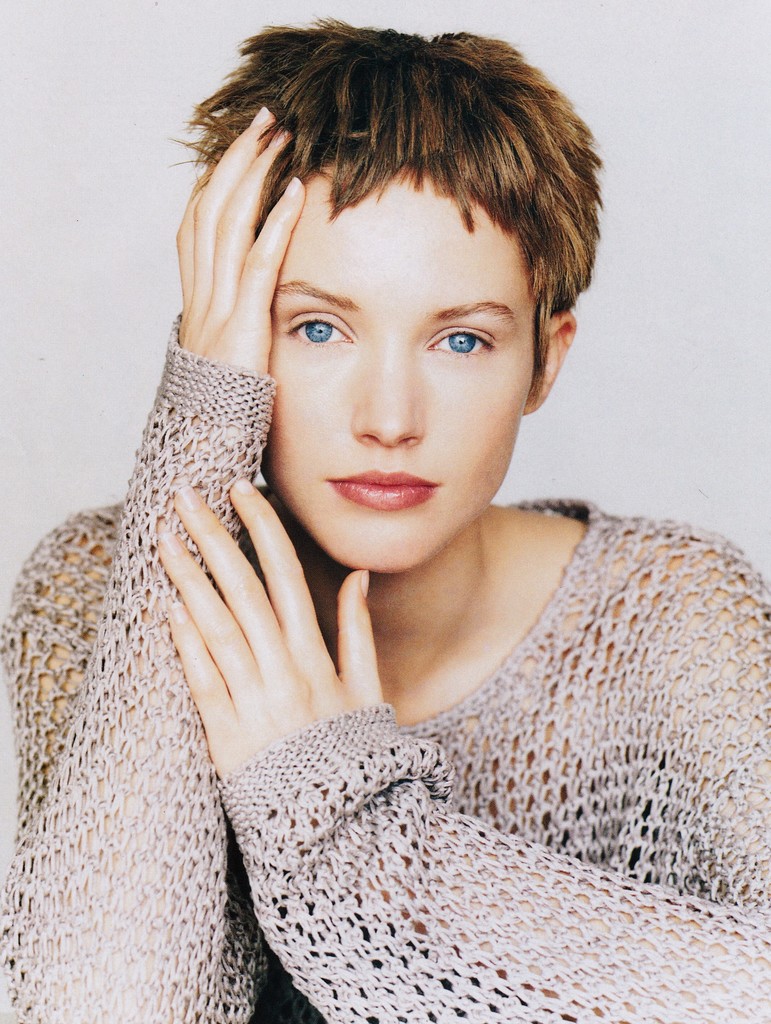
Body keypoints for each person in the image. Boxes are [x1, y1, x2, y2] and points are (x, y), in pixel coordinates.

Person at [1, 19, 769, 1023]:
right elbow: (93, 1008)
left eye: (461, 340)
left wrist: (343, 827)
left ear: (545, 361)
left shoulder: (667, 613)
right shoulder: (95, 581)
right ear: (232, 334)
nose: (389, 419)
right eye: (317, 327)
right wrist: (202, 417)